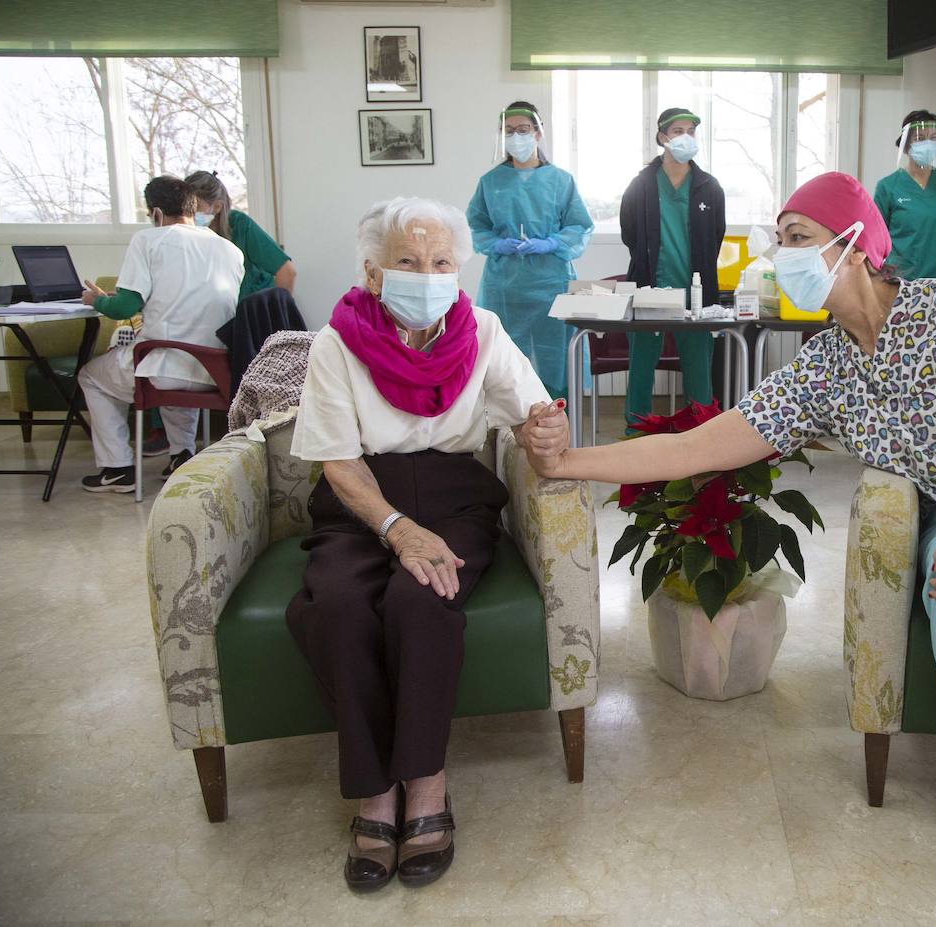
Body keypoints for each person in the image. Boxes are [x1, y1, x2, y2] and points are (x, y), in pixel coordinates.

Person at [523, 172, 936, 900]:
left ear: (855, 246)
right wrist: (570, 462)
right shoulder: (824, 366)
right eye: (777, 242)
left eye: (797, 239)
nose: (779, 256)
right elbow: (700, 447)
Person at [284, 197, 562, 892]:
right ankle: (375, 794)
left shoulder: (485, 330)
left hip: (453, 495)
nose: (428, 274)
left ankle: (427, 785)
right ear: (376, 274)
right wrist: (396, 528)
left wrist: (545, 431)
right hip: (358, 502)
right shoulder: (335, 342)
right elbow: (338, 463)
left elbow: (531, 411)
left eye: (441, 262)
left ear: (459, 269)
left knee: (422, 599)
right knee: (336, 606)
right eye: (408, 262)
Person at [77, 175, 243, 493]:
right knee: (174, 360)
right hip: (215, 369)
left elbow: (125, 307)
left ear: (155, 214)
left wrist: (96, 299)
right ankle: (182, 456)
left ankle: (117, 469)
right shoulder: (229, 250)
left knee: (91, 377)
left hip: (162, 368)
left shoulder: (149, 240)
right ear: (193, 208)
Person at [466, 101, 593, 398]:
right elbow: (475, 227)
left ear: (538, 133)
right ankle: (508, 431)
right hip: (504, 288)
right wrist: (496, 243)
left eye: (523, 129)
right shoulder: (491, 182)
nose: (517, 136)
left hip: (551, 282)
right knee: (503, 358)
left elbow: (579, 227)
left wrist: (551, 242)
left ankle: (558, 423)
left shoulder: (561, 181)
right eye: (509, 131)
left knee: (556, 357)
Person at [619, 107, 726, 425]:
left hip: (696, 293)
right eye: (678, 131)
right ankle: (635, 429)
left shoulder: (709, 187)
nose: (685, 137)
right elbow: (630, 233)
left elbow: (716, 236)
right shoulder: (641, 185)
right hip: (649, 288)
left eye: (691, 131)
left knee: (698, 369)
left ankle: (701, 431)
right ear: (663, 137)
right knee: (641, 366)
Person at [872, 110, 936, 279]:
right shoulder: (888, 187)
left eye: (933, 137)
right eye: (919, 138)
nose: (927, 143)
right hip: (900, 285)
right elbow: (875, 240)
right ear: (906, 145)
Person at [185, 170, 296, 301]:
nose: (189, 215)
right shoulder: (189, 236)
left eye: (196, 207)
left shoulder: (239, 225)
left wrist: (278, 314)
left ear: (217, 207)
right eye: (186, 208)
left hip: (252, 310)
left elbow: (287, 271)